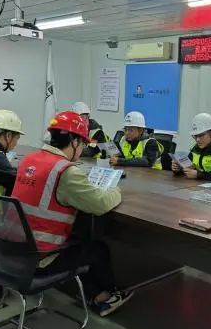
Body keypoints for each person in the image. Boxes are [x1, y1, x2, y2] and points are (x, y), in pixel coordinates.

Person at [11, 111, 132, 317]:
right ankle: (105, 298)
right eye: (83, 143)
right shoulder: (65, 171)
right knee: (97, 249)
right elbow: (101, 204)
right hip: (40, 257)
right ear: (74, 142)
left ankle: (90, 292)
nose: (82, 148)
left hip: (12, 249)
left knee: (81, 232)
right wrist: (116, 191)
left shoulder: (30, 159)